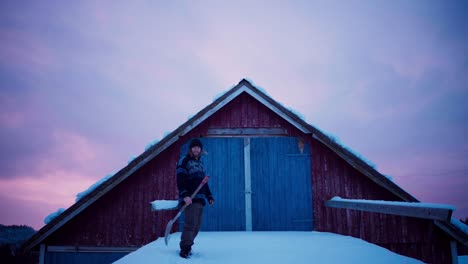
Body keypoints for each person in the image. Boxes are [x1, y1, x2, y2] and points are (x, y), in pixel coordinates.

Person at [176, 138, 214, 258]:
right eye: (194, 147)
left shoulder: (201, 164)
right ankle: (184, 249)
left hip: (200, 199)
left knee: (197, 226)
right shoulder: (184, 160)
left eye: (198, 147)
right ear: (191, 149)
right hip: (190, 199)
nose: (196, 149)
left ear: (201, 150)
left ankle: (188, 246)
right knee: (190, 225)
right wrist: (185, 195)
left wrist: (209, 196)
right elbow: (180, 178)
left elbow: (204, 183)